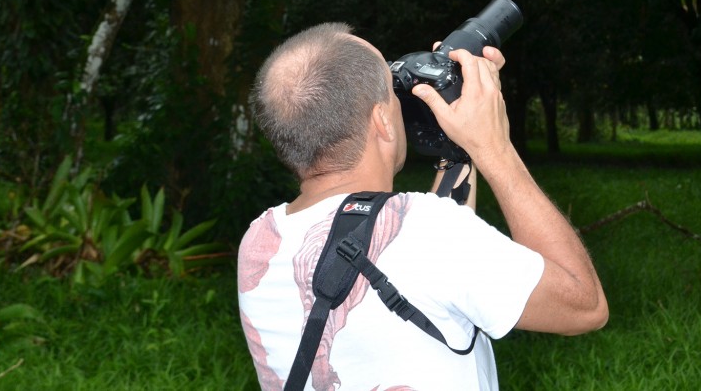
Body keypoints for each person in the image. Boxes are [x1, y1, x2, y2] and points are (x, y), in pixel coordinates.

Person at [238, 22, 608, 390]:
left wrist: (458, 144)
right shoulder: (431, 234)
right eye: (393, 89)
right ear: (382, 121)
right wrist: (494, 147)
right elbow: (584, 305)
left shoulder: (260, 243)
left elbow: (429, 263)